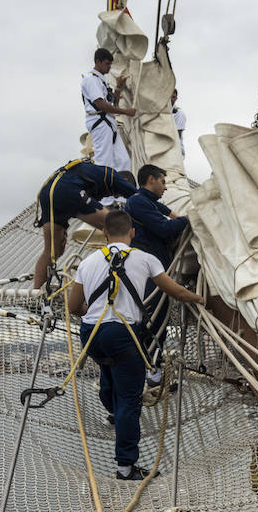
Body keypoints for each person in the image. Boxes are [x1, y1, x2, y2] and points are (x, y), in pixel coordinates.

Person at [65, 210, 204, 480]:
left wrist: (96, 313)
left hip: (91, 333)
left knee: (108, 372)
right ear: (133, 233)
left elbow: (73, 307)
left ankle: (112, 410)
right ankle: (126, 468)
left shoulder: (88, 262)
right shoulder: (146, 258)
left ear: (104, 233)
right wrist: (199, 299)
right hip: (123, 333)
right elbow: (175, 291)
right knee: (130, 401)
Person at [124, 163, 190, 381]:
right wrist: (190, 219)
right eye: (162, 181)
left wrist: (176, 216)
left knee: (158, 318)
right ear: (150, 179)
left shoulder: (146, 202)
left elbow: (166, 215)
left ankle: (152, 367)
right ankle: (149, 370)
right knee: (152, 317)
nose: (165, 187)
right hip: (147, 270)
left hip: (156, 266)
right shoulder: (138, 202)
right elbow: (164, 228)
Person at [32, 158, 139, 290]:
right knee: (117, 228)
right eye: (118, 194)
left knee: (52, 251)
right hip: (68, 190)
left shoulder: (92, 175)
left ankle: (36, 294)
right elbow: (141, 198)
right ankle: (122, 281)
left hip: (48, 193)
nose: (116, 197)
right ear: (124, 182)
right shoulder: (113, 176)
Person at [82, 48, 136, 175]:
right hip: (100, 124)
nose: (109, 67)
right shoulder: (90, 79)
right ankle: (104, 195)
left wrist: (117, 87)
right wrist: (127, 112)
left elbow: (113, 103)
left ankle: (120, 194)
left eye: (110, 64)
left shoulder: (102, 80)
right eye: (107, 64)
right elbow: (102, 105)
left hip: (109, 124)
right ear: (97, 62)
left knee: (123, 162)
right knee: (104, 163)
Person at [171, 89, 187, 157]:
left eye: (174, 97)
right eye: (170, 97)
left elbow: (177, 135)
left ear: (176, 98)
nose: (171, 99)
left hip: (174, 150)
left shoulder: (178, 113)